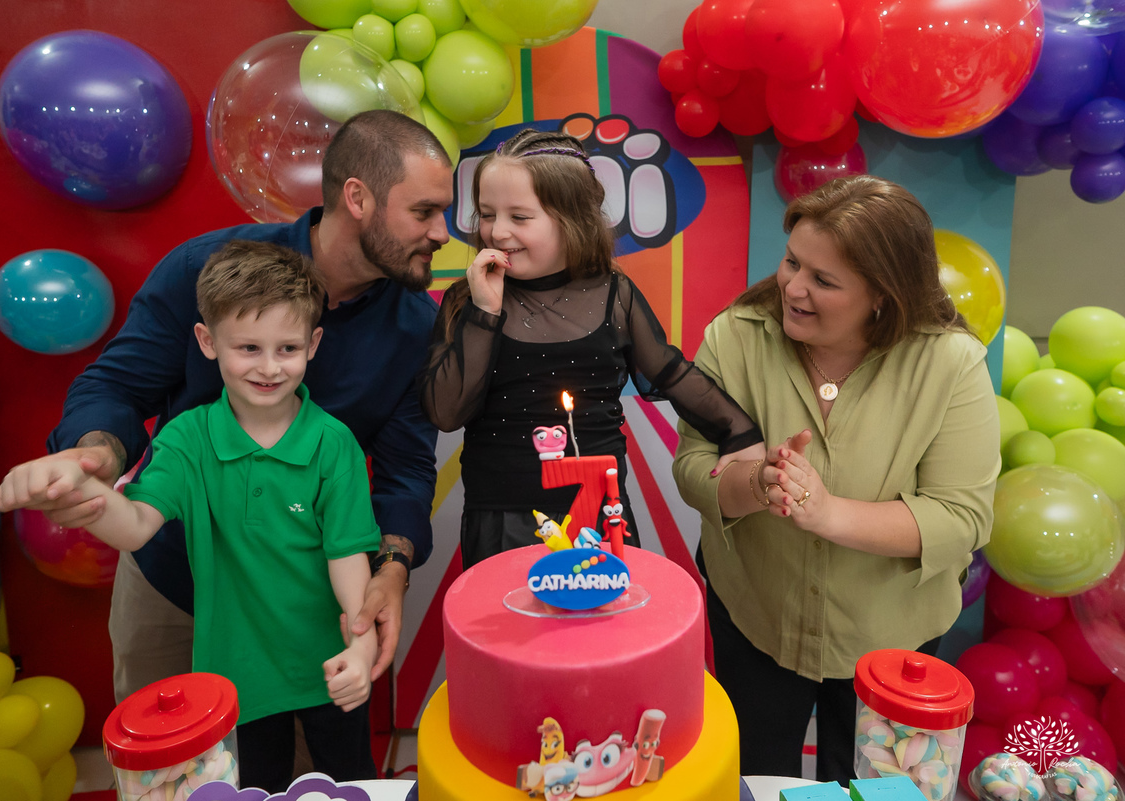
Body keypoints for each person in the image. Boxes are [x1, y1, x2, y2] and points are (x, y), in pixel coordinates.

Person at [25, 110, 452, 708]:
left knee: (303, 782)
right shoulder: (205, 269)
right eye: (425, 211)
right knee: (169, 772)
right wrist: (94, 454)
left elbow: (406, 472)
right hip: (176, 585)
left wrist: (393, 568)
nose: (443, 232)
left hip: (307, 604)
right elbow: (118, 388)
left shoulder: (418, 328)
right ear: (358, 198)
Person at [0, 241, 381, 790]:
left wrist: (363, 645)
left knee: (353, 780)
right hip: (237, 680)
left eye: (287, 348)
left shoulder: (333, 443)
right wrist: (83, 490)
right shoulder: (186, 440)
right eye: (248, 347)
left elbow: (347, 554)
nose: (269, 367)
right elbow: (135, 526)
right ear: (206, 341)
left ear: (313, 344)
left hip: (332, 668)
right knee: (255, 786)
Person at [672, 175, 999, 782]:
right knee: (753, 778)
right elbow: (694, 465)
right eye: (792, 261)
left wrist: (828, 513)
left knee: (869, 791)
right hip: (754, 614)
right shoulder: (735, 336)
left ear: (883, 294)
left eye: (823, 280)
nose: (793, 288)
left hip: (892, 639)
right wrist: (753, 484)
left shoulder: (950, 363)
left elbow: (964, 518)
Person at [419, 128, 763, 568]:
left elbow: (669, 371)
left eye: (520, 217)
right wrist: (485, 312)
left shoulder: (613, 293)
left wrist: (740, 432)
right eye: (486, 214)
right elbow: (445, 413)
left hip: (601, 515)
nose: (497, 231)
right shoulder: (466, 301)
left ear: (572, 219)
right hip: (502, 515)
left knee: (603, 633)